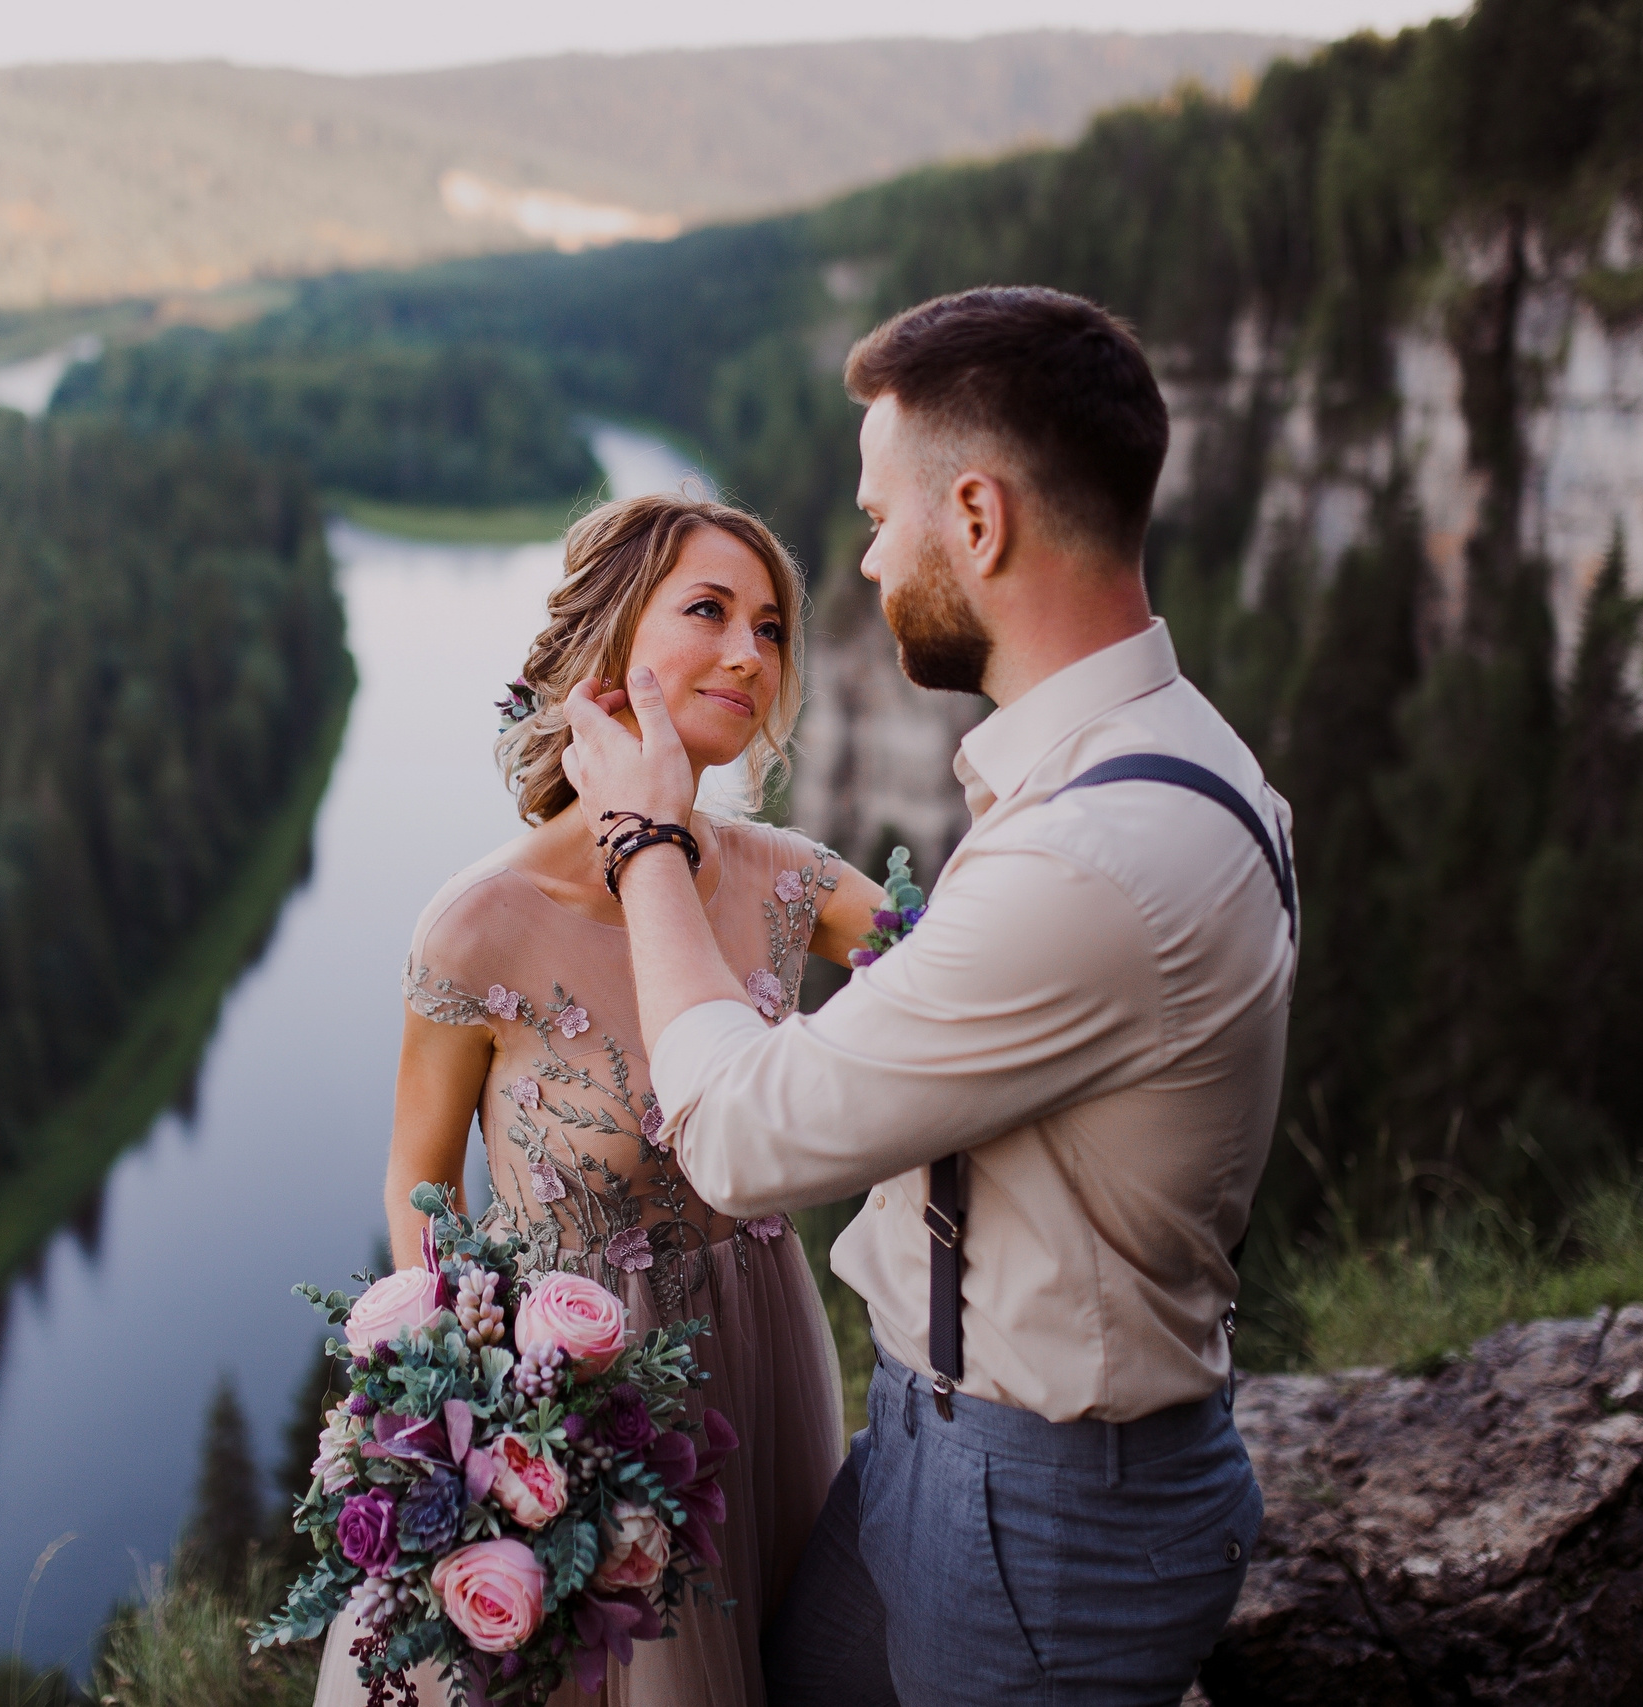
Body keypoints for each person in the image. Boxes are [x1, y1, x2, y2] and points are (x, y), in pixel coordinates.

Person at [559, 286, 1297, 1705]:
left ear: (976, 517)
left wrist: (646, 838)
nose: (868, 558)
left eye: (879, 515)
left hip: (1042, 1516)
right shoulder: (1166, 762)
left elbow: (741, 1134)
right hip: (937, 1445)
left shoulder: (1093, 851)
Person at [312, 494, 887, 1707]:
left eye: (770, 628)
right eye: (708, 611)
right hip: (576, 1392)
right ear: (612, 638)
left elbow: (963, 976)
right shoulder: (476, 926)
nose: (750, 653)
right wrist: (469, 1405)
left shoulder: (792, 881)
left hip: (767, 1350)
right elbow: (419, 1185)